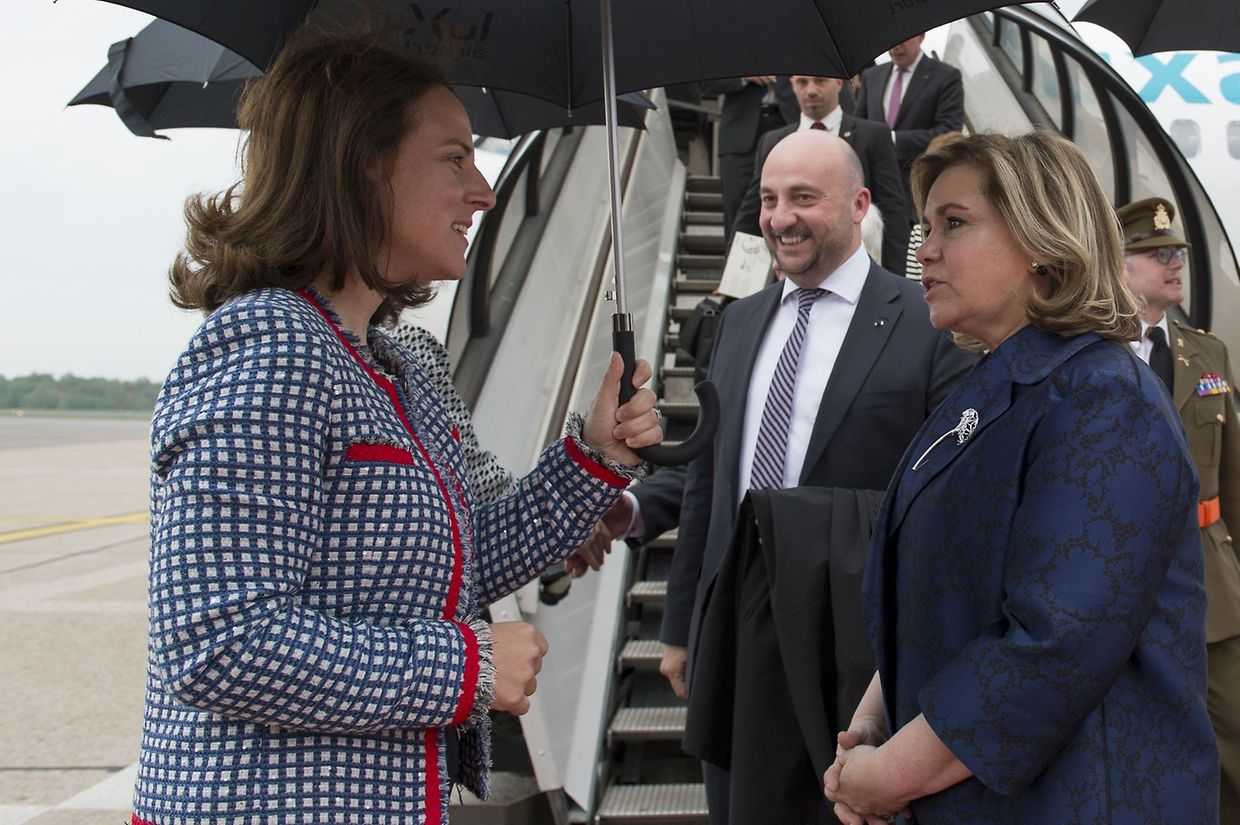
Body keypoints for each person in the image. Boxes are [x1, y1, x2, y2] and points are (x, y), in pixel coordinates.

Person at [132, 30, 662, 825]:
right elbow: (219, 642)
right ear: (361, 167)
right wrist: (463, 670)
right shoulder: (269, 349)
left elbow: (456, 565)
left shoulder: (391, 362)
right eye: (454, 158)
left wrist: (591, 456)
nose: (483, 190)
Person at [826, 132, 1218, 824]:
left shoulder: (1103, 396)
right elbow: (949, 597)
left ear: (1042, 239)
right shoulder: (995, 388)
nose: (927, 250)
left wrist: (887, 774)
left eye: (954, 222)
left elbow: (1051, 645)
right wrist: (872, 722)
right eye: (924, 227)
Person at [660, 129, 974, 823]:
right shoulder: (738, 323)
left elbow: (952, 503)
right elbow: (710, 480)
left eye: (804, 197)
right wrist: (683, 623)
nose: (780, 217)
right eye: (770, 199)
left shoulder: (927, 323)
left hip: (853, 647)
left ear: (860, 204)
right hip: (735, 634)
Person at [1118, 195, 1240, 823]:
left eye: (1178, 255)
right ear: (1119, 264)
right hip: (1125, 584)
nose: (1173, 263)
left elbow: (1234, 483)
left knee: (1232, 730)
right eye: (1155, 253)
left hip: (1213, 580)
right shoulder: (1093, 354)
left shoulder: (1207, 355)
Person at [733, 75, 911, 276]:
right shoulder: (773, 142)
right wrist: (735, 281)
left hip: (858, 276)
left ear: (838, 83)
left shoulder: (872, 137)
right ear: (792, 85)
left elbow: (893, 213)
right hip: (788, 277)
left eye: (820, 81)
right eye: (802, 82)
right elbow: (750, 215)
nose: (811, 90)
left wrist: (895, 281)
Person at [854, 35, 964, 216]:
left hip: (914, 191)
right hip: (871, 193)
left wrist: (893, 139)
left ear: (920, 37)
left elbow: (949, 132)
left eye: (901, 40)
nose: (895, 47)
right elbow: (858, 127)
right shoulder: (871, 76)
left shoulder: (946, 77)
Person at [700, 76, 798, 240]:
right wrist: (744, 77)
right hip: (739, 132)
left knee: (792, 204)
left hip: (789, 123)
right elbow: (705, 83)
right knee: (737, 211)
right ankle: (738, 263)